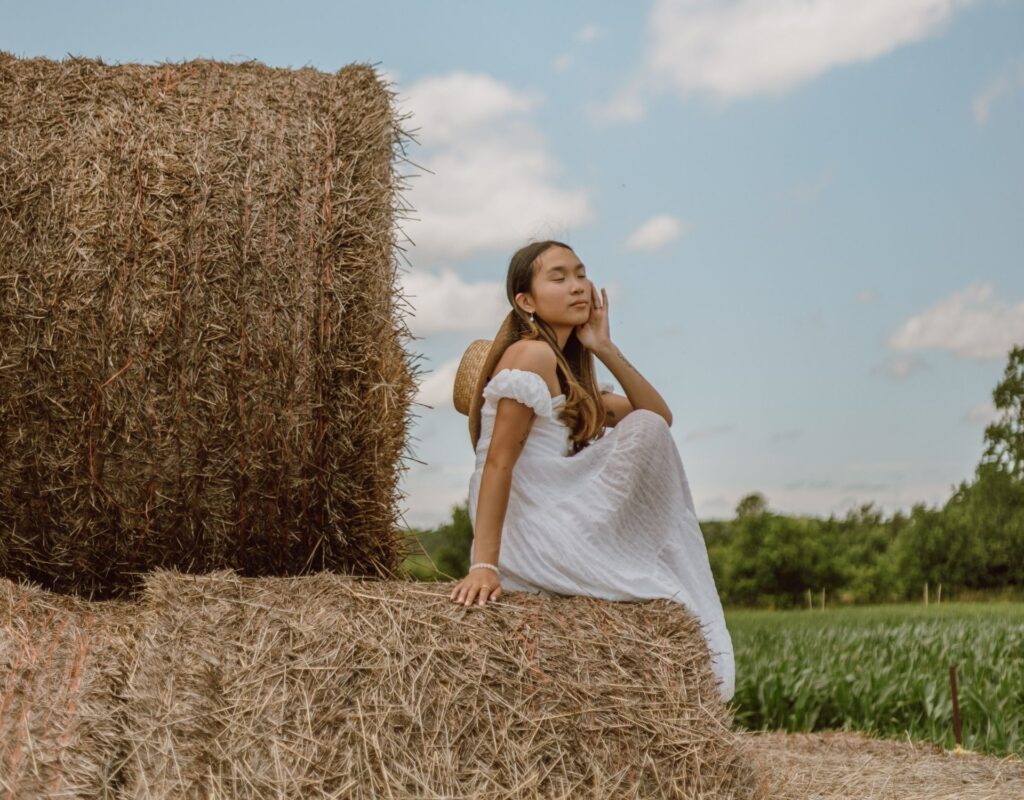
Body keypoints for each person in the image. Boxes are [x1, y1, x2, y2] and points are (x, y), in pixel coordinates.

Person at [448, 239, 735, 702]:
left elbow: (659, 415)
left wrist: (602, 346)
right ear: (526, 301)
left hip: (553, 518)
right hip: (531, 533)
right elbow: (498, 462)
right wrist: (483, 565)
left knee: (645, 426)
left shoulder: (568, 374)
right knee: (642, 431)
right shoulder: (530, 356)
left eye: (581, 274)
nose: (578, 286)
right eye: (558, 277)